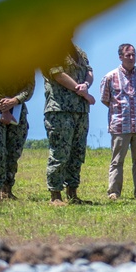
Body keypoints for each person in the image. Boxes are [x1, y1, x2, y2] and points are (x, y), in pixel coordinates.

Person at [44, 42, 96, 206]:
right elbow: (57, 74)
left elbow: (89, 70)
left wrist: (85, 85)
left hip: (80, 109)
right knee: (60, 152)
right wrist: (80, 90)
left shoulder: (79, 51)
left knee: (77, 153)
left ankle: (72, 193)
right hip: (60, 109)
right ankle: (55, 195)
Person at [100, 43, 136, 200]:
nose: (131, 58)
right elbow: (105, 99)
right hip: (120, 125)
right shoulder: (110, 77)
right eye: (128, 55)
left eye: (133, 55)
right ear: (120, 57)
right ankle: (114, 192)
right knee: (117, 161)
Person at [0, 73, 35, 202]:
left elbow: (30, 86)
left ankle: (7, 190)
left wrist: (15, 101)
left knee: (14, 151)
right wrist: (5, 108)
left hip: (18, 109)